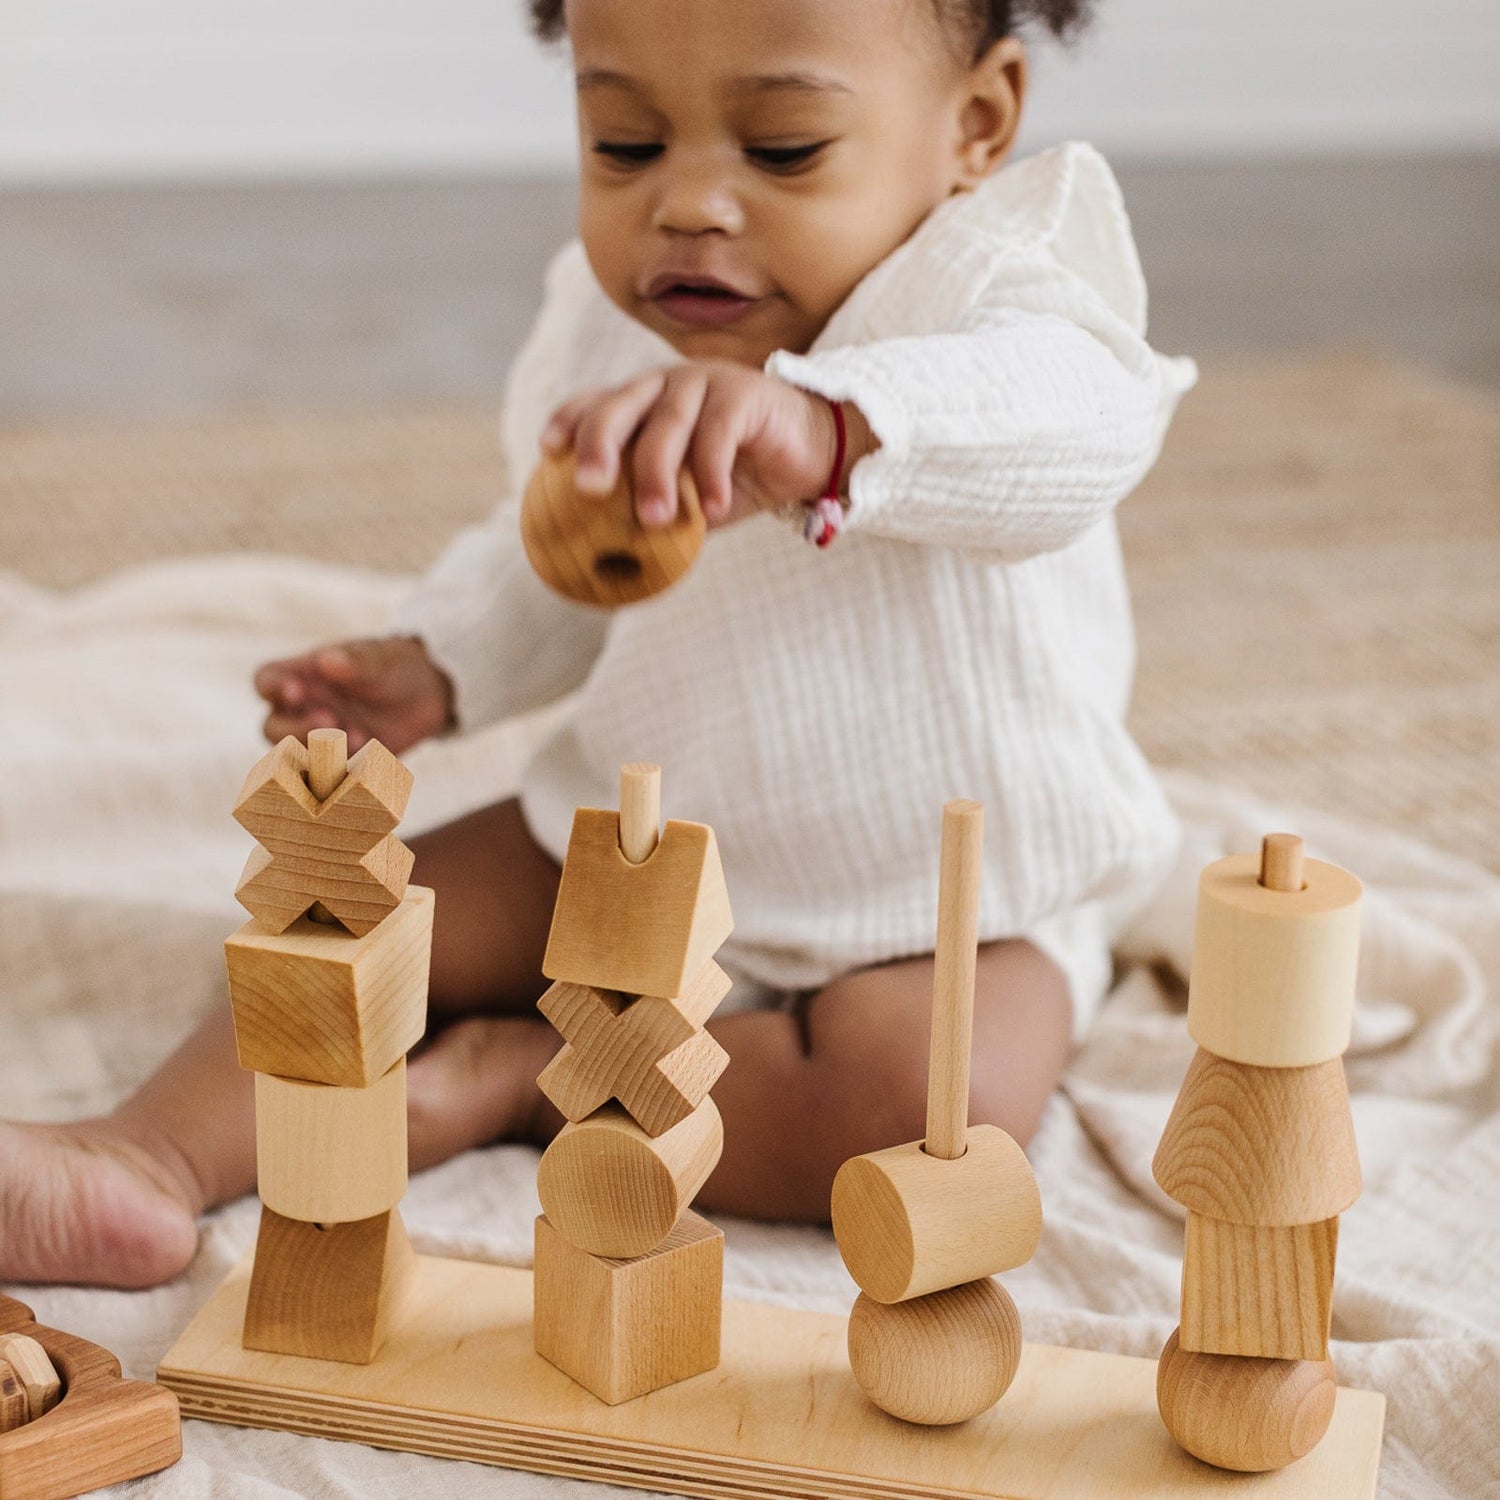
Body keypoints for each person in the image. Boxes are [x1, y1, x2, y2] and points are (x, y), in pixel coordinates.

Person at [0, 0, 1193, 1288]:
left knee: (918, 1108)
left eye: (783, 150)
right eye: (626, 144)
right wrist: (440, 659)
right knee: (344, 919)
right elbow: (565, 551)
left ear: (975, 124)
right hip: (647, 830)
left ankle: (524, 1081)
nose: (689, 206)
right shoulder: (620, 319)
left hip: (944, 902)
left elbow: (1078, 430)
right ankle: (140, 1163)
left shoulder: (1003, 291)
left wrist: (829, 427)